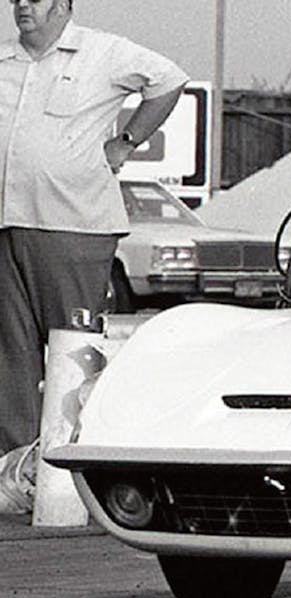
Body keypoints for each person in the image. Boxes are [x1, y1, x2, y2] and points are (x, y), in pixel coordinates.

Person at [0, 0, 188, 474]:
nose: (22, 6)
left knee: (74, 351)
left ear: (63, 5)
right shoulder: (3, 59)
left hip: (74, 224)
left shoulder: (103, 51)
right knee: (10, 355)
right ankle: (18, 473)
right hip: (7, 223)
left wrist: (125, 143)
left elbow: (169, 80)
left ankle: (78, 472)